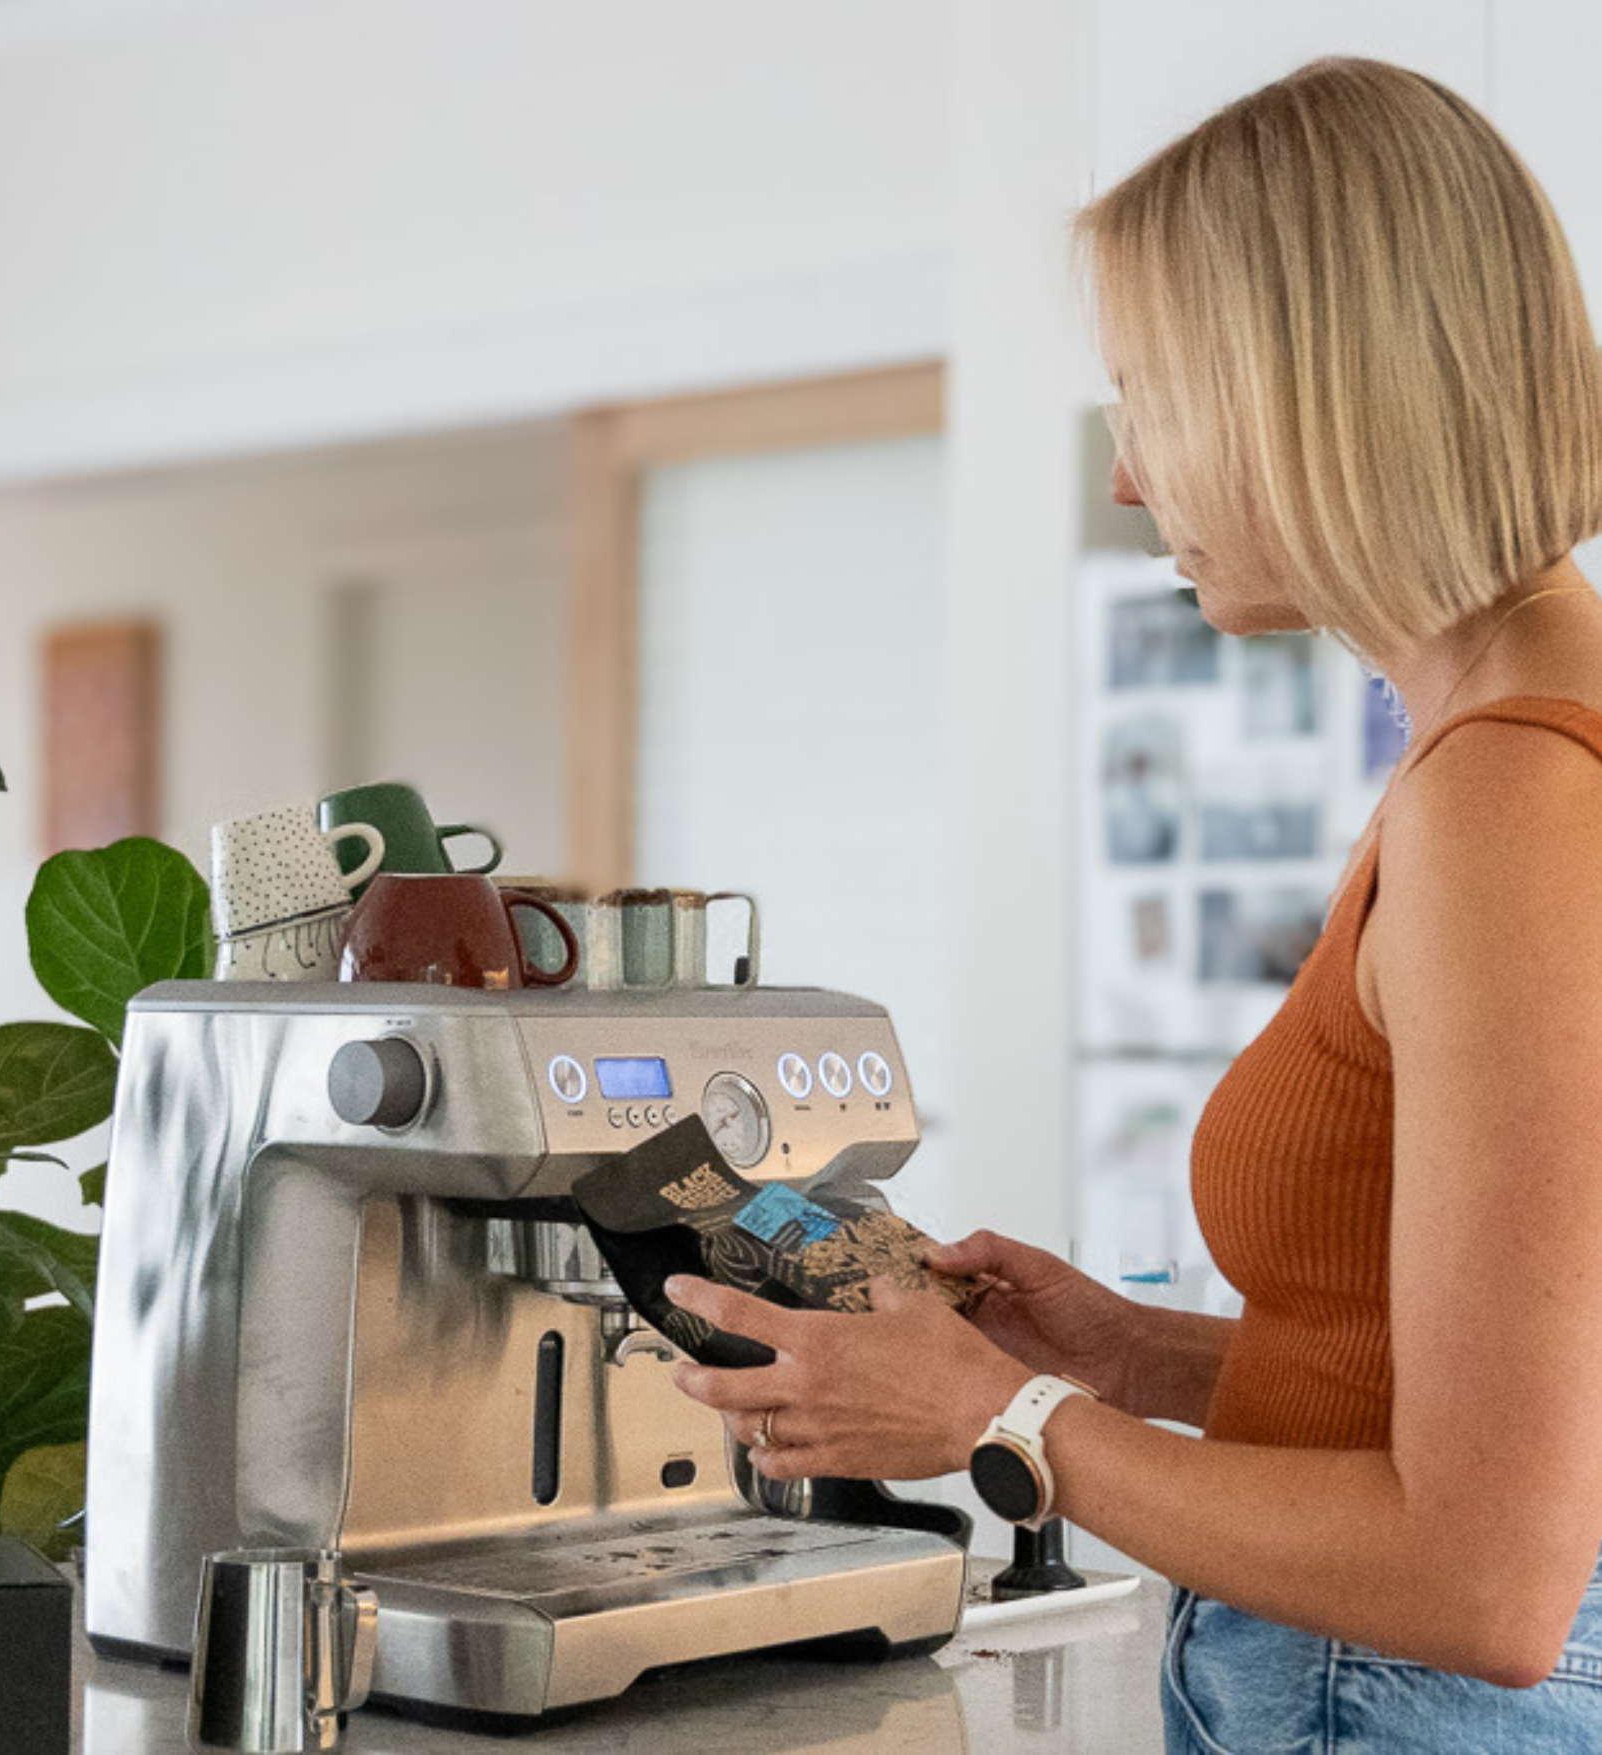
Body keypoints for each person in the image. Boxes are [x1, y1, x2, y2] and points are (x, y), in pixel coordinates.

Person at [668, 57, 1602, 1750]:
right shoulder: (1508, 745)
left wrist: (994, 1413)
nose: (1126, 477)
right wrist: (1128, 1355)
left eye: (1146, 396)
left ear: (1306, 389)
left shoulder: (1512, 797)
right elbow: (1453, 1382)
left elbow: (1489, 1580)